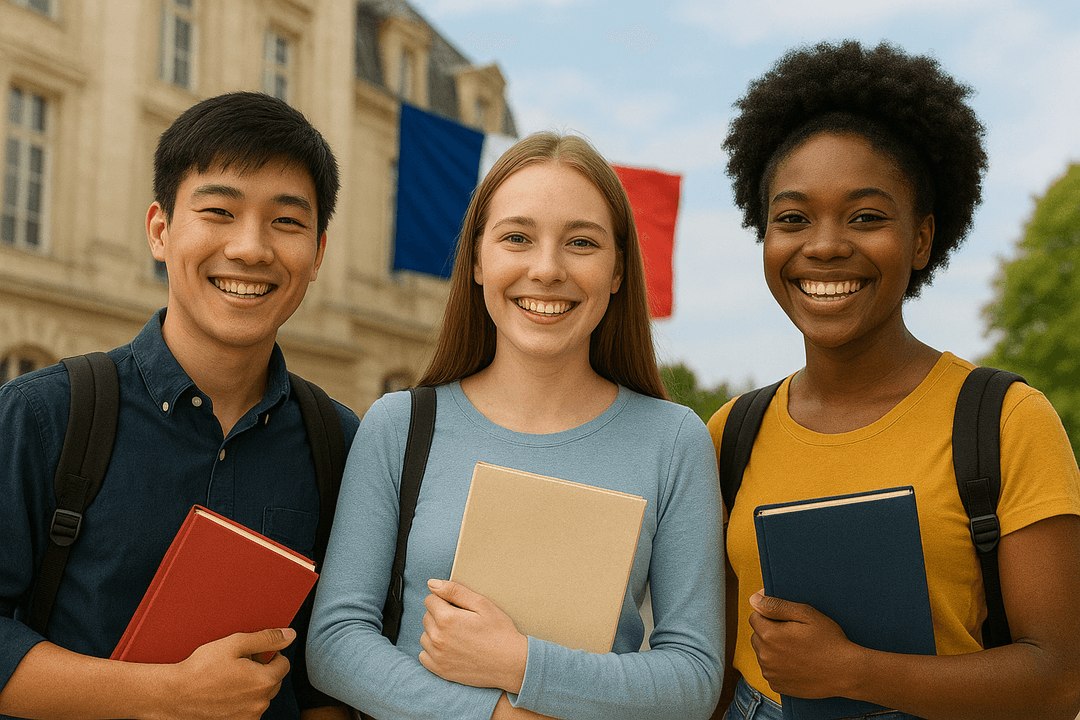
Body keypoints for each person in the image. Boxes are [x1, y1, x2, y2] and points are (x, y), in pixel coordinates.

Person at [708, 40, 1080, 720]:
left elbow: (1060, 680)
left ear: (921, 239)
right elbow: (714, 662)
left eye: (866, 217)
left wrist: (853, 671)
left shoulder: (1003, 420)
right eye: (792, 218)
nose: (823, 245)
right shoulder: (731, 431)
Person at [306, 132, 724, 720]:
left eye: (581, 242)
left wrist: (519, 663)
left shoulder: (675, 440)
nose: (546, 269)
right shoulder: (399, 424)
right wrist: (495, 717)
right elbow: (336, 643)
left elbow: (694, 677)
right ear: (477, 260)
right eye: (517, 238)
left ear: (618, 270)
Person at [0, 91, 359, 720]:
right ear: (161, 231)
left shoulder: (342, 443)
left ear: (319, 252)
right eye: (219, 211)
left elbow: (328, 675)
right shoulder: (42, 415)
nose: (251, 248)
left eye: (287, 221)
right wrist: (169, 693)